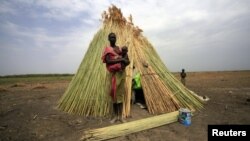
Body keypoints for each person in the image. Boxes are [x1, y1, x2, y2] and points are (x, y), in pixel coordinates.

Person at [102, 32, 130, 123]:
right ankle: (115, 116)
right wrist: (121, 59)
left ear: (116, 38)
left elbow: (126, 60)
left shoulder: (119, 49)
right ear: (109, 39)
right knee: (114, 95)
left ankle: (120, 116)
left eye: (114, 37)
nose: (113, 39)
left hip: (121, 74)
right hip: (113, 75)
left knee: (120, 94)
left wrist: (124, 63)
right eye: (111, 37)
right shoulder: (107, 49)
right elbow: (108, 61)